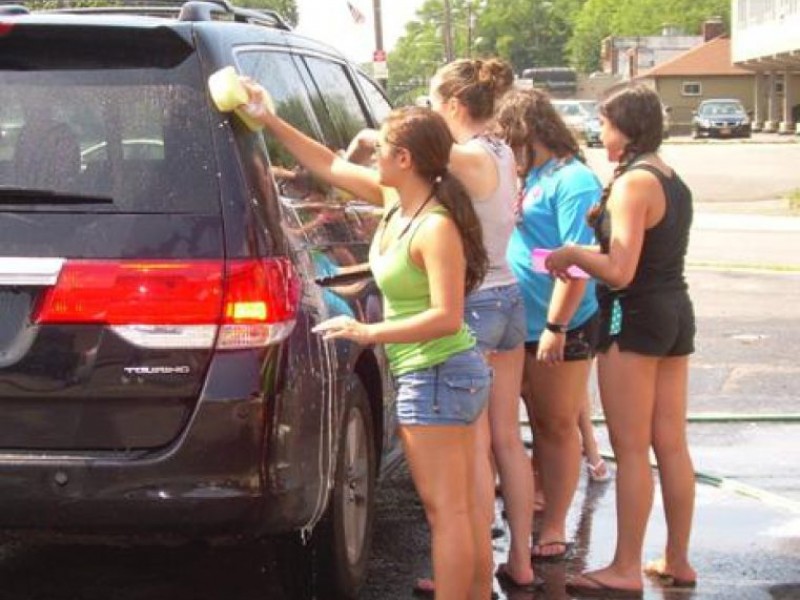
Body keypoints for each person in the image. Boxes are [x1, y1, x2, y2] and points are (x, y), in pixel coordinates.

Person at [237, 80, 493, 600]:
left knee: (448, 513)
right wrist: (268, 118)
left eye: (381, 147)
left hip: (438, 374)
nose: (372, 153)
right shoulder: (398, 202)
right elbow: (329, 164)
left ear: (404, 158)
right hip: (441, 374)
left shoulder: (434, 227)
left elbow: (446, 317)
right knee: (460, 509)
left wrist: (367, 331)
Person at [546, 83, 697, 597]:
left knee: (630, 449)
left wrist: (572, 254)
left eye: (606, 124)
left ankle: (625, 567)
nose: (600, 132)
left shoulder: (634, 183)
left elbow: (621, 270)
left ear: (627, 129)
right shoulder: (670, 178)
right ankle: (677, 558)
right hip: (674, 311)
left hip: (631, 317)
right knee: (671, 443)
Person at [427, 57, 539, 593]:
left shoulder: (466, 154)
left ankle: (469, 574)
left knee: (473, 447)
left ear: (453, 105)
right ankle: (520, 559)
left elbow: (412, 145)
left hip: (474, 303)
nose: (430, 113)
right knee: (507, 439)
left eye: (432, 104)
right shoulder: (501, 150)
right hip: (508, 295)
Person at [493, 88, 602, 562]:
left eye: (505, 134)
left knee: (556, 424)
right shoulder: (530, 175)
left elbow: (578, 260)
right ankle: (536, 498)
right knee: (527, 422)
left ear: (525, 130)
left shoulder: (573, 180)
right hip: (520, 320)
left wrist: (557, 325)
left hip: (562, 322)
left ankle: (555, 524)